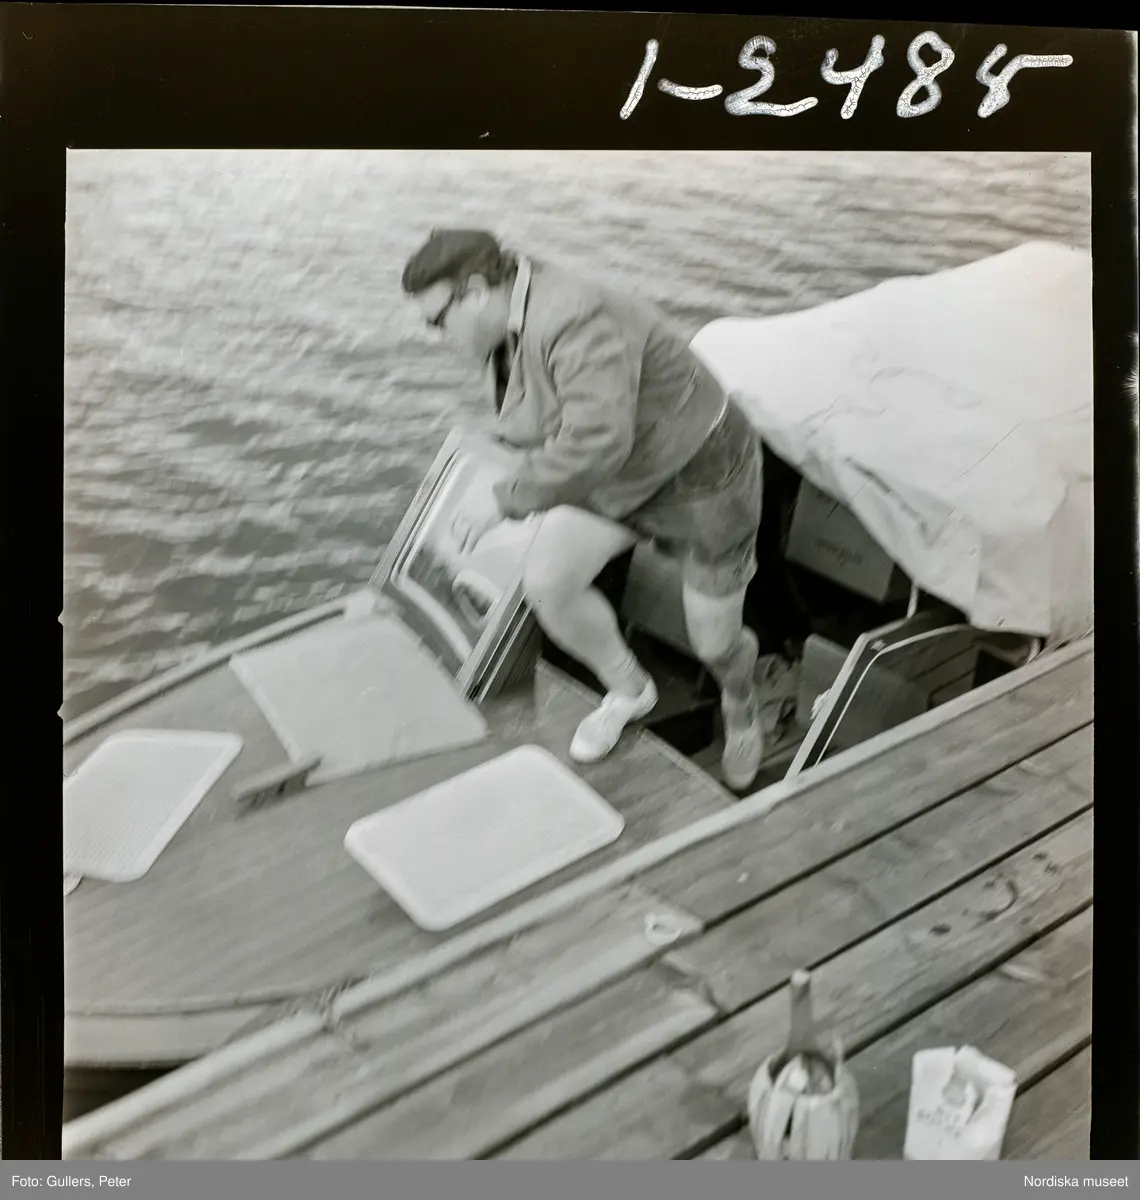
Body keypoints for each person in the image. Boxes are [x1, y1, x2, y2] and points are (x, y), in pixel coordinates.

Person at [401, 228, 769, 790]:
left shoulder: (572, 315)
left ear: (475, 291)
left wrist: (505, 500)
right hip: (622, 474)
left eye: (437, 320)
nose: (438, 335)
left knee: (715, 643)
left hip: (701, 478)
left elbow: (597, 439)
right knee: (549, 580)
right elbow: (551, 418)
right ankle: (630, 690)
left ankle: (740, 702)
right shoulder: (510, 317)